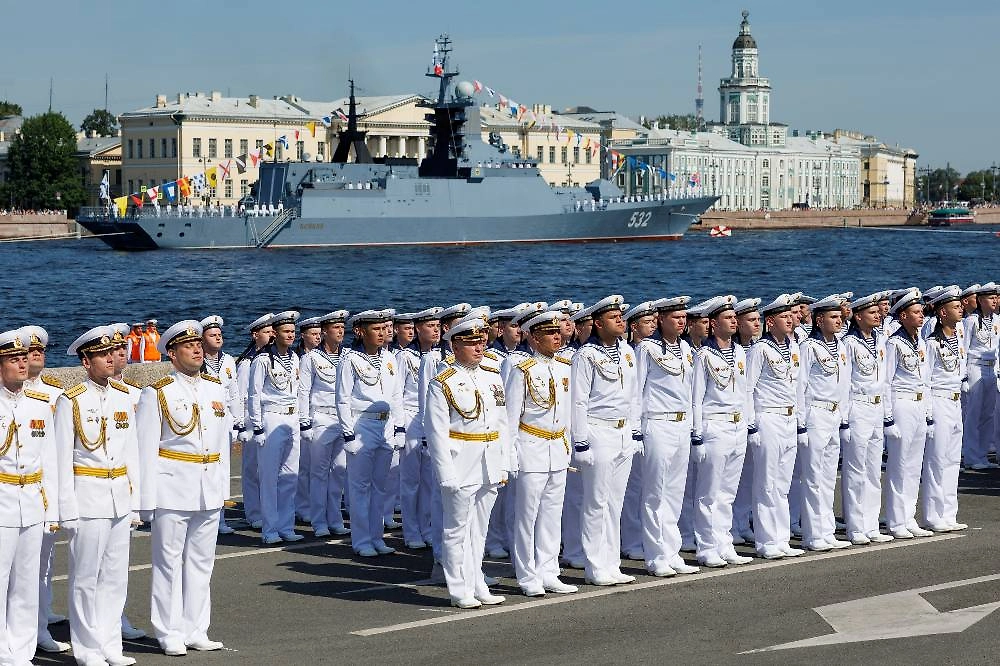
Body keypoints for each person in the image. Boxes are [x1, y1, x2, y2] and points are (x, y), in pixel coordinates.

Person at [135, 320, 229, 656]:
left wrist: (222, 490)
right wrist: (144, 502)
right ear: (171, 354)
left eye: (198, 345)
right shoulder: (158, 391)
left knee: (203, 562)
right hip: (172, 486)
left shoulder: (216, 388)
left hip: (208, 486)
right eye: (188, 346)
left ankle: (196, 627)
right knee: (168, 563)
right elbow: (145, 450)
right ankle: (169, 630)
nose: (197, 349)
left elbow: (222, 441)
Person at [56, 326, 140, 666]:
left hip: (119, 494)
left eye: (113, 352)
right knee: (85, 577)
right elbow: (62, 459)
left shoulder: (123, 397)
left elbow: (131, 454)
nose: (110, 359)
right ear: (86, 361)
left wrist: (135, 502)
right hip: (87, 495)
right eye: (102, 355)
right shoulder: (71, 400)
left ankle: (110, 645)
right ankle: (87, 649)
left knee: (116, 576)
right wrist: (66, 509)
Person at [425, 317, 513, 608]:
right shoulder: (443, 382)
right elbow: (436, 432)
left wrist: (505, 461)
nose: (479, 347)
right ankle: (458, 587)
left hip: (489, 460)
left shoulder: (492, 375)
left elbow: (502, 422)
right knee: (456, 528)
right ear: (455, 345)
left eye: (482, 341)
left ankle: (477, 580)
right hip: (461, 461)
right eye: (471, 342)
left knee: (480, 529)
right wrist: (445, 473)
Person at [505, 311, 578, 596]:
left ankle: (549, 571)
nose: (557, 337)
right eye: (550, 333)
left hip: (556, 448)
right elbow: (511, 418)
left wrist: (568, 444)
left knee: (551, 513)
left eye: (558, 332)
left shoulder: (564, 368)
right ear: (534, 338)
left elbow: (567, 413)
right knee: (527, 516)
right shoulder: (522, 370)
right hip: (531, 447)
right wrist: (510, 455)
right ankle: (527, 574)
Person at [570, 295, 641, 586]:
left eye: (621, 316)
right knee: (596, 502)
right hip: (598, 431)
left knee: (615, 501)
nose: (621, 321)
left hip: (623, 432)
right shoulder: (586, 356)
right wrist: (581, 442)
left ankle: (612, 562)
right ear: (598, 323)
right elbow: (578, 402)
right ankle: (595, 564)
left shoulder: (627, 351)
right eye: (614, 318)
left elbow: (634, 396)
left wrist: (635, 432)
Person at [0, 328, 59, 666]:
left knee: (26, 580)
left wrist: (52, 510)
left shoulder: (39, 405)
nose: (22, 365)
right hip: (2, 499)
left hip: (32, 502)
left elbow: (48, 461)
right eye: (13, 359)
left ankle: (21, 650)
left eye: (24, 359)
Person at [634, 297, 701, 577]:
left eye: (684, 317)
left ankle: (671, 551)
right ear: (660, 320)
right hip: (658, 423)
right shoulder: (647, 348)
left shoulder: (685, 348)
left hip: (680, 425)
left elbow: (690, 392)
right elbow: (636, 390)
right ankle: (655, 555)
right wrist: (637, 431)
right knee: (655, 494)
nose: (682, 321)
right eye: (675, 317)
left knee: (675, 492)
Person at [689, 296, 754, 568]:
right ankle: (706, 546)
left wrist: (748, 424)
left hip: (737, 425)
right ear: (713, 324)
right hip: (714, 424)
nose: (733, 321)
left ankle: (724, 542)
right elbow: (696, 397)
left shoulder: (739, 352)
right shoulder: (704, 355)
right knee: (709, 493)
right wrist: (697, 434)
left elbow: (745, 392)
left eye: (734, 317)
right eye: (727, 318)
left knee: (728, 492)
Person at [18, 326, 71, 654]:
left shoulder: (54, 394)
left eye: (39, 352)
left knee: (44, 562)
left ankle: (39, 625)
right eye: (27, 353)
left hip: (42, 489)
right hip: (13, 489)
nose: (35, 356)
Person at [336, 310, 404, 557]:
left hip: (385, 426)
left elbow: (396, 396)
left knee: (380, 486)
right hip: (362, 424)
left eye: (383, 328)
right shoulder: (350, 359)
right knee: (360, 487)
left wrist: (399, 427)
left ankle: (377, 537)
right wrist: (348, 435)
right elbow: (342, 399)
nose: (382, 332)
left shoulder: (389, 358)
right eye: (375, 329)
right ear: (360, 332)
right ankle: (361, 540)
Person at [745, 294, 803, 560]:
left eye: (791, 315)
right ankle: (766, 540)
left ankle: (781, 537)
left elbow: (798, 386)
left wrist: (799, 420)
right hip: (768, 417)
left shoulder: (792, 346)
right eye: (783, 316)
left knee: (782, 483)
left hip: (789, 418)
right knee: (766, 483)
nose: (790, 319)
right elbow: (747, 389)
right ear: (771, 321)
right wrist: (752, 425)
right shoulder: (760, 349)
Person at [795, 295, 852, 551]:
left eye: (839, 316)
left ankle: (827, 530)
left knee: (829, 477)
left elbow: (844, 385)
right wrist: (801, 423)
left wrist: (844, 418)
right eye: (833, 317)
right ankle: (812, 533)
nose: (839, 320)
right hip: (815, 413)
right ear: (820, 320)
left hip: (833, 413)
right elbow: (801, 386)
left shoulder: (839, 346)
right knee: (813, 477)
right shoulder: (809, 347)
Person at [841, 291, 894, 545]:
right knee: (855, 469)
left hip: (875, 408)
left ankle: (871, 524)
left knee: (873, 470)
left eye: (878, 312)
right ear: (858, 317)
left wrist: (886, 415)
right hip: (858, 408)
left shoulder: (880, 341)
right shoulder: (848, 343)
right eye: (871, 313)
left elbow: (884, 381)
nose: (877, 316)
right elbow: (843, 383)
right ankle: (855, 525)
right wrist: (845, 418)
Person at [107, 323, 149, 642]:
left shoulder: (137, 395)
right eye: (112, 350)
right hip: (95, 488)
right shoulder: (79, 398)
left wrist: (139, 498)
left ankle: (117, 618)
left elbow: (140, 450)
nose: (120, 354)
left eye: (123, 349)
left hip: (125, 487)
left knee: (120, 565)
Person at [248, 311, 303, 545]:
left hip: (292, 419)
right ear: (275, 334)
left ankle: (286, 525)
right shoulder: (262, 360)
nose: (290, 335)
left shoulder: (295, 358)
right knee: (269, 478)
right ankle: (270, 529)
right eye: (285, 331)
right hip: (271, 418)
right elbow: (254, 394)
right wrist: (258, 427)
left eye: (293, 331)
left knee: (290, 475)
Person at [883, 288, 934, 540]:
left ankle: (908, 516)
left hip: (918, 404)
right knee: (899, 465)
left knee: (914, 466)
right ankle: (895, 519)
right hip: (901, 403)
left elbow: (925, 380)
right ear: (902, 316)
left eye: (921, 311)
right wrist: (888, 417)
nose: (921, 316)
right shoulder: (894, 343)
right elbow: (887, 381)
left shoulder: (920, 342)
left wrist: (928, 411)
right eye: (915, 312)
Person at [297, 310, 351, 538]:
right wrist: (305, 421)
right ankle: (319, 521)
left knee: (339, 471)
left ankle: (335, 518)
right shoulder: (311, 358)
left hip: (342, 419)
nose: (340, 332)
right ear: (324, 332)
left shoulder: (348, 356)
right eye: (335, 328)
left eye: (342, 328)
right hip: (321, 417)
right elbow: (303, 391)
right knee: (319, 473)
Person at [922, 286, 969, 532]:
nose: (960, 309)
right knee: (937, 459)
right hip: (939, 400)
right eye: (955, 306)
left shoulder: (957, 339)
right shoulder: (931, 343)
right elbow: (926, 379)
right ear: (942, 312)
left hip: (954, 400)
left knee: (952, 460)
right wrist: (928, 414)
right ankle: (933, 514)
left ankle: (949, 512)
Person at [395, 308, 442, 549]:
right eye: (430, 326)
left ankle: (427, 528)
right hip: (411, 417)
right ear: (417, 329)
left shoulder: (440, 356)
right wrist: (399, 428)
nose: (435, 330)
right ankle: (411, 531)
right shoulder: (405, 357)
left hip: (432, 419)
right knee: (410, 480)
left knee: (429, 481)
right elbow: (397, 393)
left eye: (437, 326)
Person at [200, 316, 241, 535]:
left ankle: (221, 519)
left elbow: (233, 394)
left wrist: (238, 422)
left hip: (224, 420)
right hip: (205, 421)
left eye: (219, 334)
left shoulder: (227, 361)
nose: (218, 338)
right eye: (212, 335)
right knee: (208, 470)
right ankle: (206, 518)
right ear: (202, 339)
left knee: (223, 472)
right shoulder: (197, 362)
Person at [235, 313, 274, 530]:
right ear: (255, 335)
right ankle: (254, 512)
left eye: (272, 332)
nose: (270, 336)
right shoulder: (247, 363)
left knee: (269, 469)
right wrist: (241, 424)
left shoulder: (273, 359)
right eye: (266, 332)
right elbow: (241, 395)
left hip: (268, 418)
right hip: (251, 421)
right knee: (252, 469)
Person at [730, 298, 761, 545]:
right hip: (744, 419)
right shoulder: (745, 350)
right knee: (734, 479)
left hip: (746, 420)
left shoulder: (749, 349)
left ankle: (741, 522)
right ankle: (734, 525)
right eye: (750, 320)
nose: (756, 324)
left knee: (746, 476)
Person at [961, 282, 999, 469]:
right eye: (991, 298)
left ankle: (982, 455)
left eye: (995, 297)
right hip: (975, 367)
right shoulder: (971, 321)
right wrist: (964, 377)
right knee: (973, 413)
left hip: (992, 368)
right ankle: (971, 456)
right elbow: (964, 349)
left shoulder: (997, 320)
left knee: (988, 414)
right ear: (981, 300)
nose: (995, 300)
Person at [294, 317, 321, 524]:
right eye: (313, 333)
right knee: (304, 466)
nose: (318, 336)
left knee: (318, 467)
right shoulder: (295, 357)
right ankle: (302, 506)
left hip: (317, 417)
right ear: (303, 335)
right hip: (302, 415)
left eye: (320, 333)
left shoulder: (320, 358)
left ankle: (314, 504)